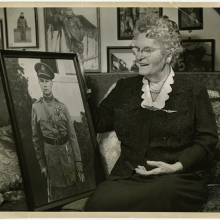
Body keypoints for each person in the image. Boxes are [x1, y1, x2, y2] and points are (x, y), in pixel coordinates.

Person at [84, 14, 218, 212]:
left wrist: (177, 166)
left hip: (176, 178)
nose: (139, 56)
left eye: (147, 50)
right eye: (137, 49)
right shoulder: (124, 88)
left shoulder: (193, 91)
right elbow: (99, 122)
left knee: (161, 195)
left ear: (169, 55)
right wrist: (81, 88)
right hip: (128, 177)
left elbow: (206, 139)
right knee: (97, 203)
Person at [31, 62, 85, 203]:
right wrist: (42, 164)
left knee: (72, 191)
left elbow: (73, 137)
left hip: (67, 155)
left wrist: (78, 163)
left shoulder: (62, 107)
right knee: (56, 195)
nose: (45, 85)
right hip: (51, 159)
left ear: (51, 82)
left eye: (47, 81)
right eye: (42, 81)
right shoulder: (36, 108)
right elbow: (36, 139)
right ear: (39, 82)